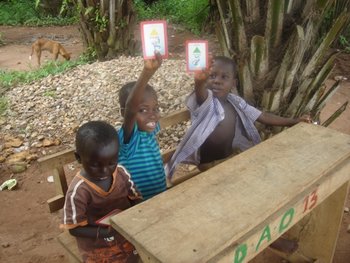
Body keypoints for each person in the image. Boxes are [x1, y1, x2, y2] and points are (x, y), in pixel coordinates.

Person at [166, 55, 312, 180]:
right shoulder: (207, 104)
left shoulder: (235, 102)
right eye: (212, 76)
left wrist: (293, 122)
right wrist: (199, 81)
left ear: (233, 83)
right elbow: (200, 93)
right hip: (209, 166)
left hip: (231, 157)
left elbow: (262, 116)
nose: (217, 81)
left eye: (224, 77)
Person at [60, 120, 142, 263]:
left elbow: (136, 198)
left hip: (126, 235)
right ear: (78, 158)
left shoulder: (121, 173)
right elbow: (74, 228)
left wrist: (136, 214)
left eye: (111, 162)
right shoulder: (79, 191)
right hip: (97, 246)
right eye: (95, 165)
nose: (105, 171)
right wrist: (104, 232)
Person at [117, 52, 167, 200]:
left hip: (160, 197)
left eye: (155, 108)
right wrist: (147, 72)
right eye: (143, 110)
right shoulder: (129, 138)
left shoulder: (149, 131)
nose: (153, 115)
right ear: (124, 113)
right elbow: (131, 109)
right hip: (140, 205)